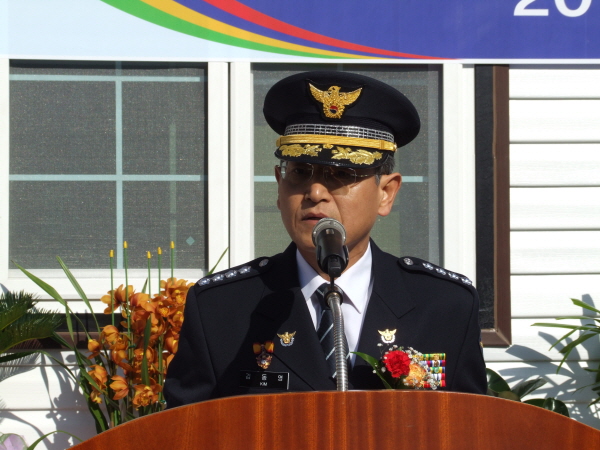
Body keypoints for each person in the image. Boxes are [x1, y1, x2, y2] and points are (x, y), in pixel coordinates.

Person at [164, 71, 487, 407]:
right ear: (279, 185)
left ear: (386, 194)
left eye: (343, 173)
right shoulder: (221, 307)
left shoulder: (443, 305)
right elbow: (185, 428)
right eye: (300, 172)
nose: (315, 192)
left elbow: (472, 426)